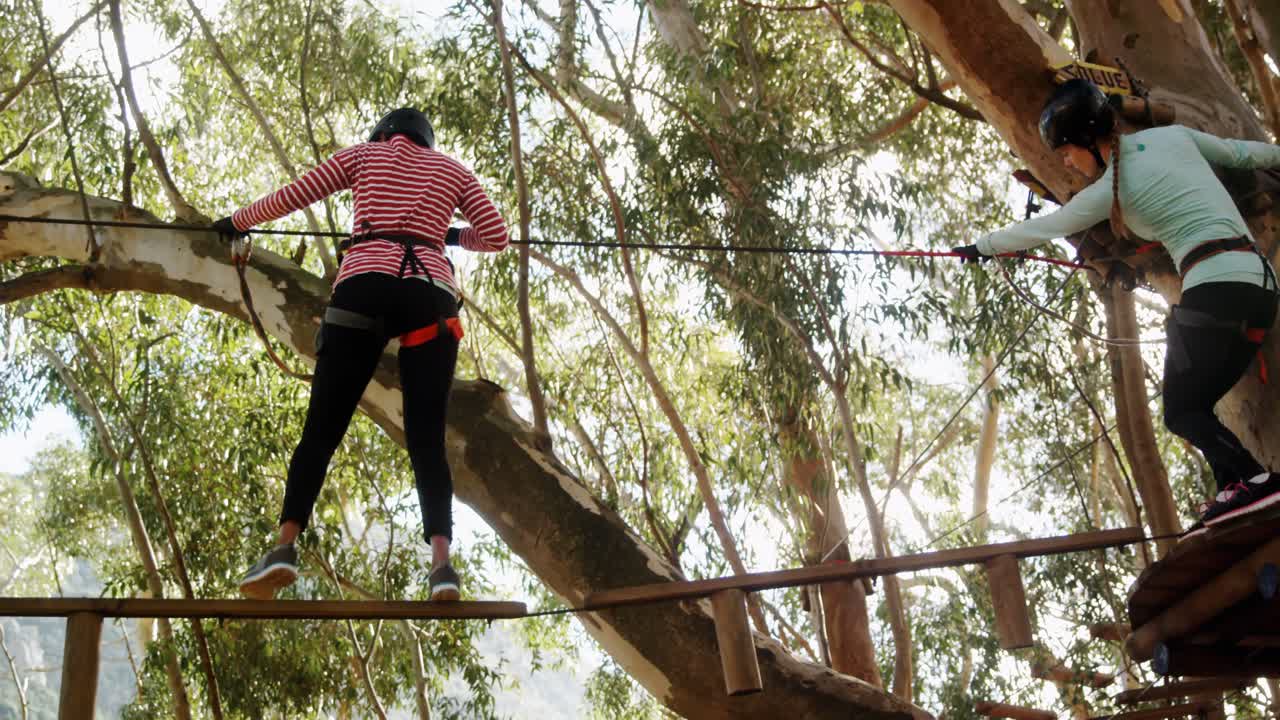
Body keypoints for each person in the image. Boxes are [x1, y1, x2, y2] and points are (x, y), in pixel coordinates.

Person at [953, 79, 1280, 535]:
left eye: (1066, 149)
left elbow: (1048, 226)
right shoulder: (1172, 137)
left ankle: (1253, 480)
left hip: (1216, 289)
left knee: (1182, 411)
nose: (1065, 160)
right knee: (1196, 402)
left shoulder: (1111, 189)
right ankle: (1236, 488)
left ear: (1089, 139)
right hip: (1260, 288)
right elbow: (1244, 154)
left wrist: (979, 247)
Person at [212, 108, 509, 600]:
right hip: (431, 299)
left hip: (363, 287)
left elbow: (295, 195)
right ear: (426, 141)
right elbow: (495, 236)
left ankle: (285, 546)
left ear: (385, 134)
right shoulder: (453, 171)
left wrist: (236, 222)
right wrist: (449, 235)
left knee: (322, 431)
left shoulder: (364, 156)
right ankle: (442, 567)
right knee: (427, 441)